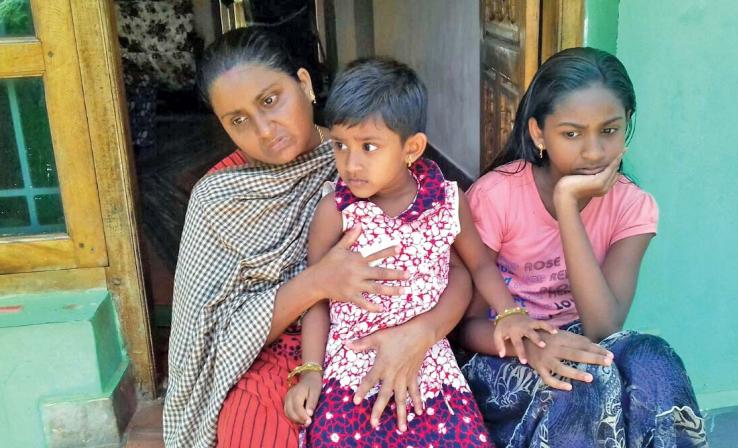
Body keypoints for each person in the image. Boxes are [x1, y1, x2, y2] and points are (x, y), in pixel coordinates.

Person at [163, 27, 473, 448]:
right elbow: (205, 339)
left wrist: (423, 333)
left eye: (270, 100)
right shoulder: (219, 197)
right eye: (238, 120)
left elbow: (451, 264)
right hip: (268, 360)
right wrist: (318, 283)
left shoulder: (368, 155)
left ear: (305, 84)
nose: (265, 129)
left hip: (376, 339)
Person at [283, 57, 557, 446]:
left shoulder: (446, 201)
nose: (350, 163)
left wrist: (510, 313)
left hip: (429, 367)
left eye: (369, 146)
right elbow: (317, 300)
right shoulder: (335, 212)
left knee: (464, 438)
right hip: (351, 371)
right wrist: (311, 371)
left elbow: (478, 264)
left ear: (411, 148)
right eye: (340, 146)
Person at [458, 47, 709, 447]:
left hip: (584, 342)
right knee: (585, 382)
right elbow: (465, 328)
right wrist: (535, 347)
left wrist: (567, 206)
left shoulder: (632, 206)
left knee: (652, 359)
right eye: (572, 134)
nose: (593, 152)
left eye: (609, 130)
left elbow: (603, 328)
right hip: (504, 352)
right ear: (538, 133)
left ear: (627, 124)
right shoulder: (496, 196)